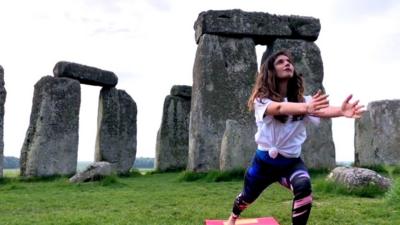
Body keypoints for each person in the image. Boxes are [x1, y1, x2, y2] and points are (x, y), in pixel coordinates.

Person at [226, 50, 365, 225]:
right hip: (263, 164)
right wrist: (306, 108)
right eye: (280, 62)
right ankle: (233, 218)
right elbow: (278, 109)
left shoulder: (304, 101)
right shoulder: (261, 100)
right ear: (271, 71)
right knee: (247, 197)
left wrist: (341, 111)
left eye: (289, 61)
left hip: (290, 164)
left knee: (303, 187)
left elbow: (321, 111)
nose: (287, 64)